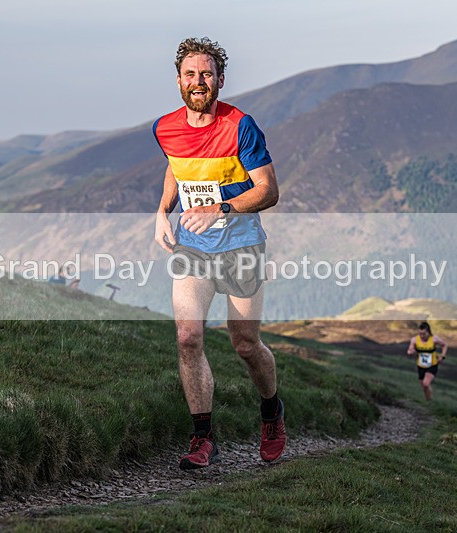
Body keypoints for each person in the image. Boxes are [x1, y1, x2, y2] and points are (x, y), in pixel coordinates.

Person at [153, 37, 285, 469]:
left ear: (220, 80)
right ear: (178, 80)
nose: (198, 82)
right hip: (194, 247)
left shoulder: (240, 125)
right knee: (188, 337)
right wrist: (162, 210)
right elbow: (177, 166)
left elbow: (269, 190)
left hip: (242, 245)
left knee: (245, 344)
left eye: (206, 74)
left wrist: (219, 208)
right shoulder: (165, 128)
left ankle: (271, 412)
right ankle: (202, 438)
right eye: (190, 74)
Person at [406, 322, 447, 401]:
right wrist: (410, 351)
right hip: (420, 366)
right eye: (420, 334)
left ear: (428, 332)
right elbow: (410, 349)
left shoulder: (434, 339)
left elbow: (444, 345)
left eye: (424, 334)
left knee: (426, 383)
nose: (422, 336)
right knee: (424, 387)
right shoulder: (414, 340)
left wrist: (442, 356)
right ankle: (429, 401)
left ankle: (430, 401)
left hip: (432, 365)